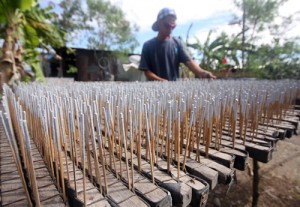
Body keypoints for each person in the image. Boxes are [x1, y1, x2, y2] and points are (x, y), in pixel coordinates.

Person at [139, 8, 216, 81]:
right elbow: (147, 72)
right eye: (167, 25)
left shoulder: (177, 43)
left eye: (173, 27)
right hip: (153, 90)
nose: (170, 29)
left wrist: (202, 73)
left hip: (174, 89)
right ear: (159, 23)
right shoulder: (148, 46)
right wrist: (161, 81)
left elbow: (189, 61)